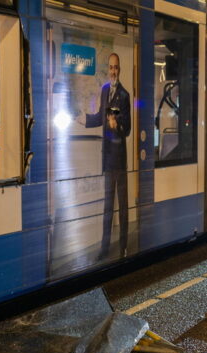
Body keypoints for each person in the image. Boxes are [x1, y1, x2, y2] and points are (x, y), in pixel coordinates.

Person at [85, 53, 131, 259]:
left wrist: (117, 125)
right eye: (111, 67)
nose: (113, 71)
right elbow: (100, 117)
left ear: (119, 70)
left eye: (116, 67)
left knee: (122, 205)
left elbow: (127, 128)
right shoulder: (104, 90)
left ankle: (123, 247)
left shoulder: (125, 95)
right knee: (107, 206)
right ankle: (104, 249)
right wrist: (82, 120)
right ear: (108, 69)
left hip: (120, 159)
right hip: (107, 158)